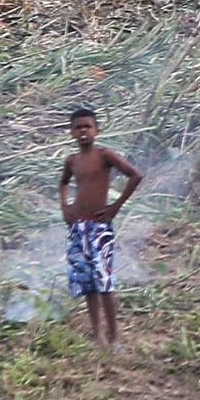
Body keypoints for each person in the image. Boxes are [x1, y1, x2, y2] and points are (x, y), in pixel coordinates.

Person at [58, 106, 143, 348]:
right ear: (71, 133)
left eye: (88, 126)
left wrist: (115, 206)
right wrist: (65, 206)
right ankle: (97, 336)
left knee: (104, 282)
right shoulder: (72, 160)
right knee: (88, 283)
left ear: (97, 130)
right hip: (77, 226)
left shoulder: (104, 155)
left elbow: (135, 175)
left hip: (99, 226)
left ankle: (114, 336)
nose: (83, 131)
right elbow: (63, 182)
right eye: (78, 127)